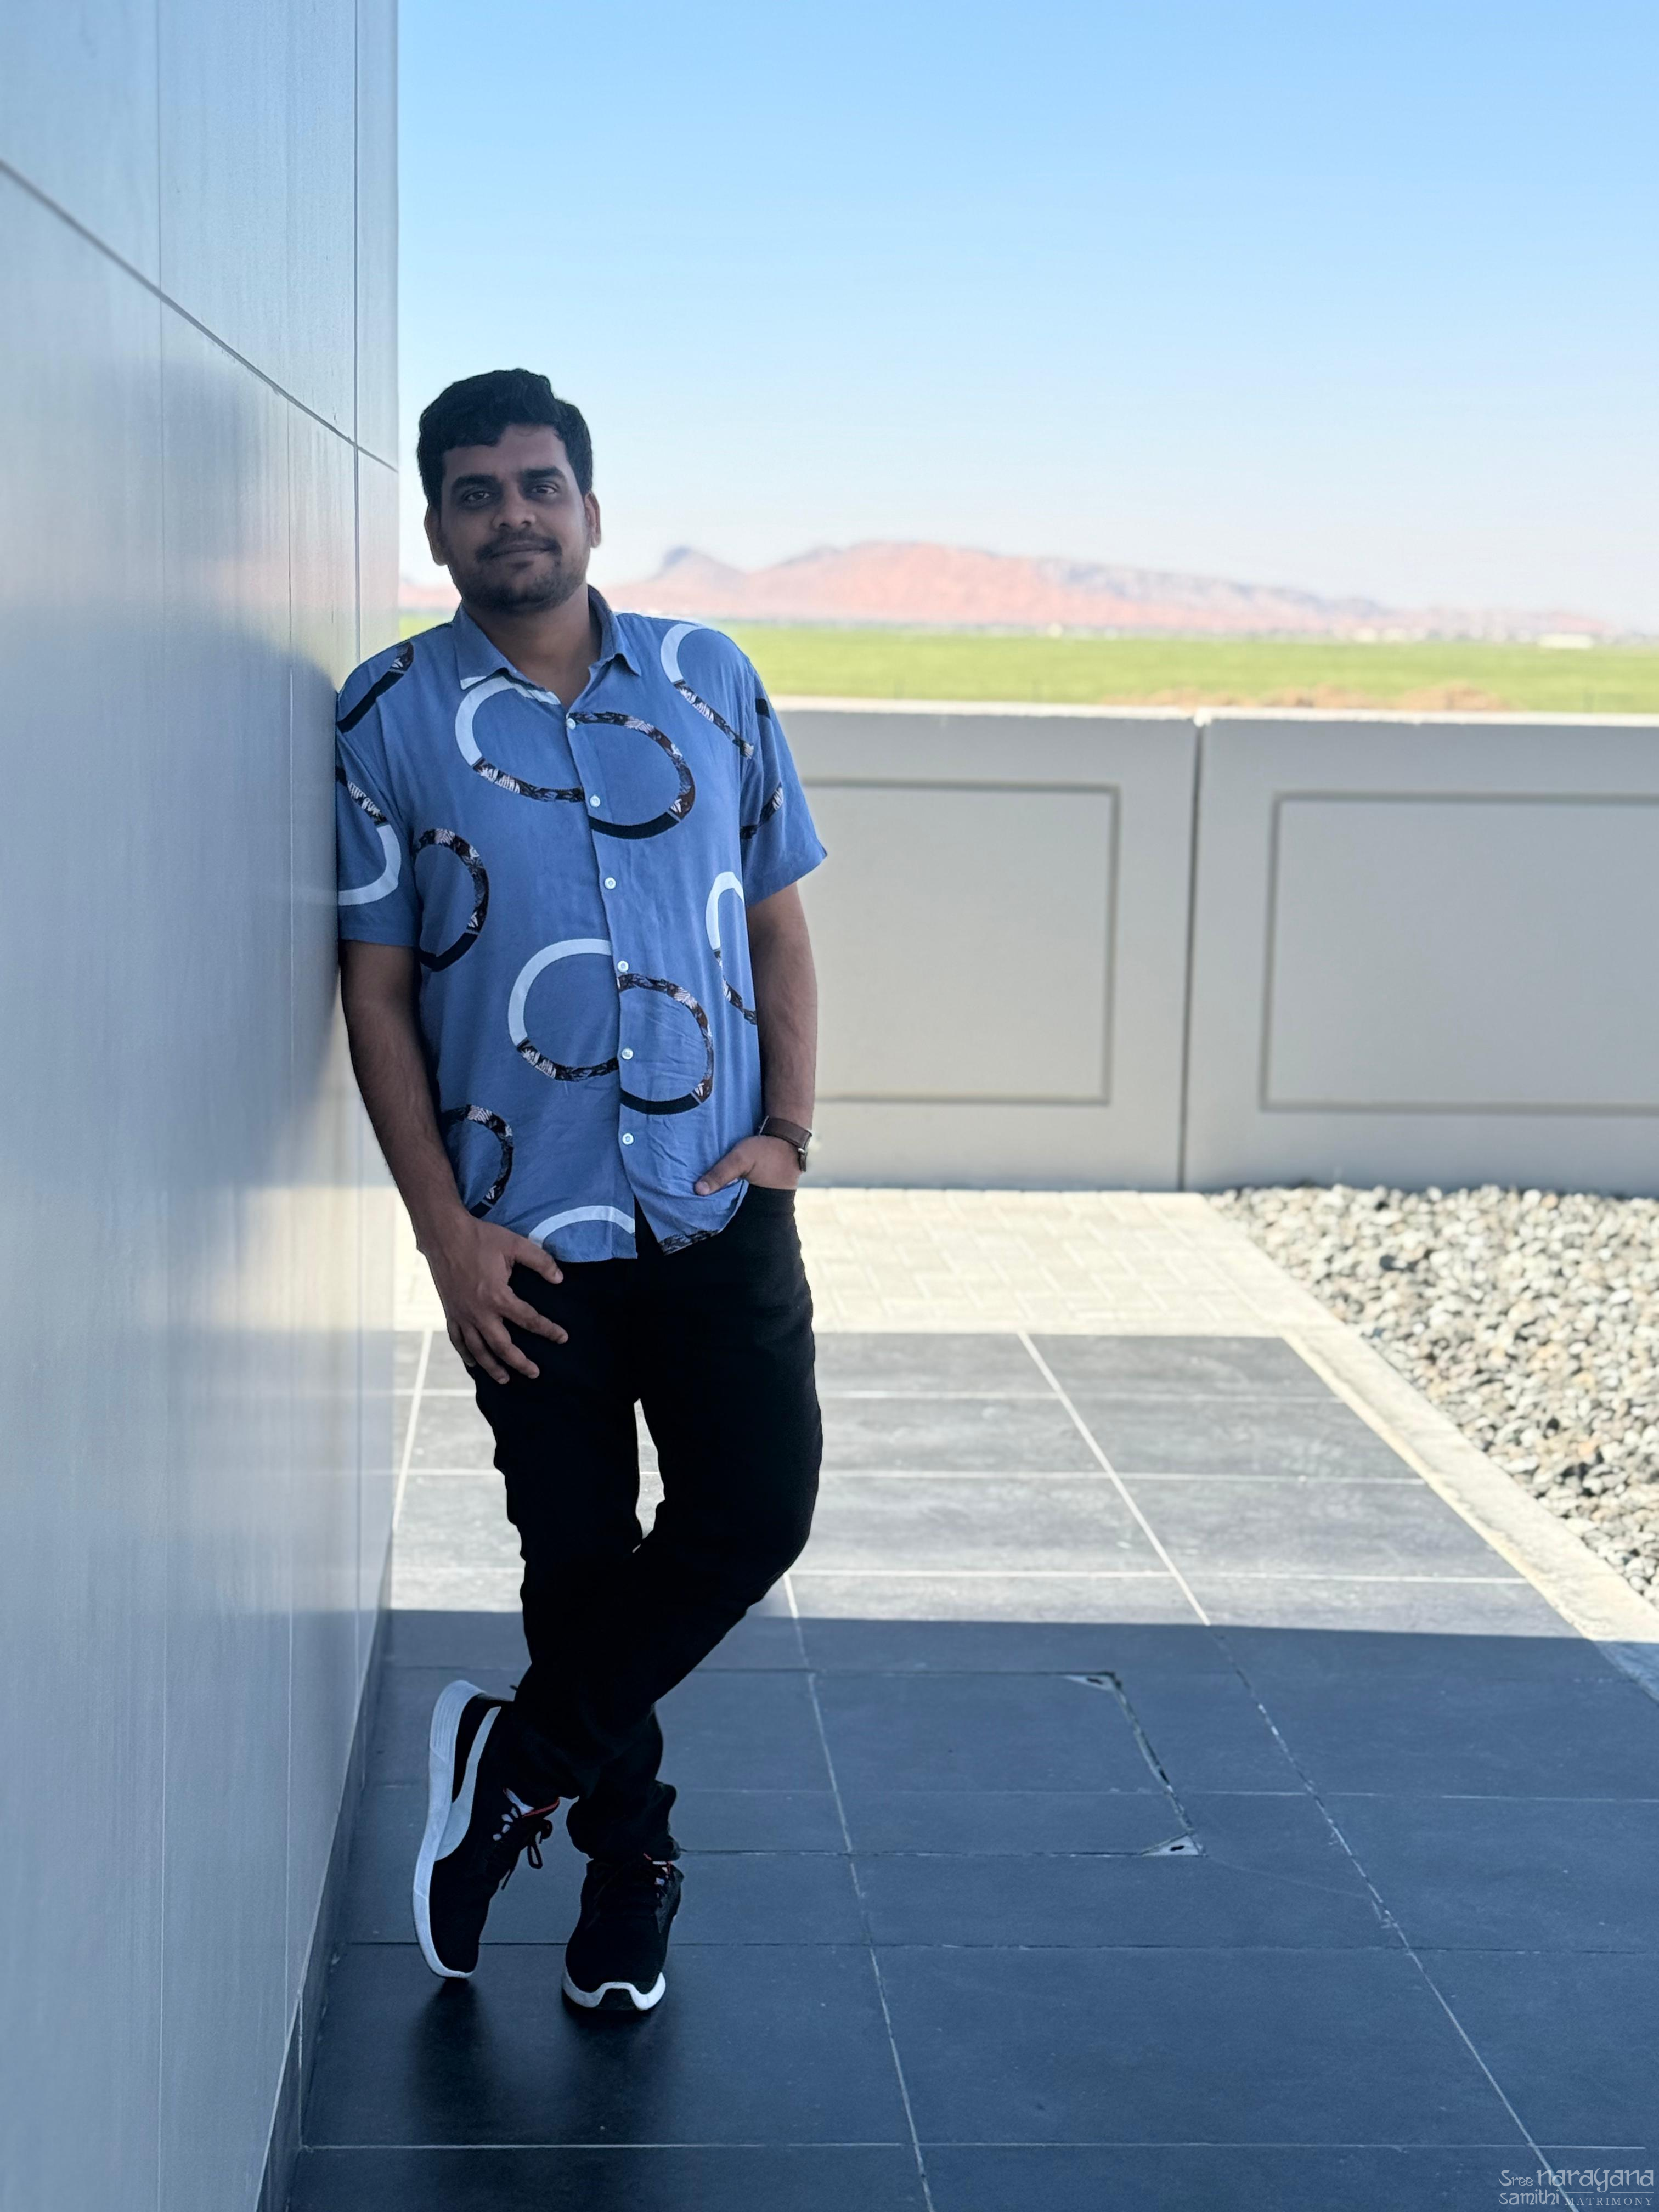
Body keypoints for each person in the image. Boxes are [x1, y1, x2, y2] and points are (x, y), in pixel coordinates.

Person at [335, 368, 824, 2013]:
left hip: (714, 1200)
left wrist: (787, 1138)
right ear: (437, 529)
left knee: (756, 1512)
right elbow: (376, 993)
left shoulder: (708, 676)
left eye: (539, 485)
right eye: (476, 493)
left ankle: (515, 1765)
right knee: (579, 1560)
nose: (513, 516)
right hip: (520, 1232)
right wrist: (443, 1237)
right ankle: (630, 1867)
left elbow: (778, 920)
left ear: (592, 509)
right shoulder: (385, 716)